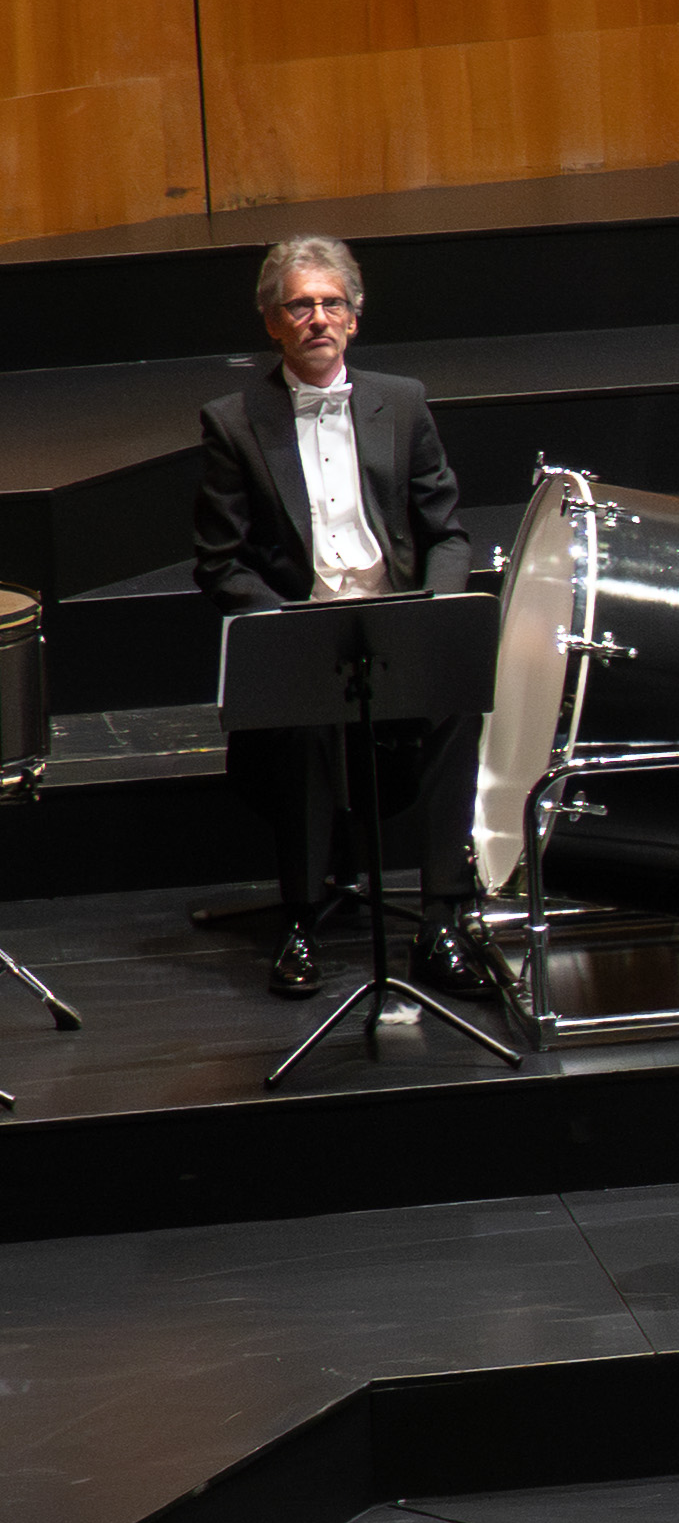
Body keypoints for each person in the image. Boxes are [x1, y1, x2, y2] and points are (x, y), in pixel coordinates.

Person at [186, 235, 479, 993]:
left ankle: (444, 918)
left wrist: (438, 611)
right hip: (301, 627)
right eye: (300, 305)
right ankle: (301, 921)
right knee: (311, 709)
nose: (318, 318)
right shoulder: (234, 420)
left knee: (461, 699)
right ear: (272, 322)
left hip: (397, 620)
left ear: (353, 317)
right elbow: (221, 561)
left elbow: (445, 530)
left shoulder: (403, 401)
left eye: (331, 303)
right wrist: (283, 625)